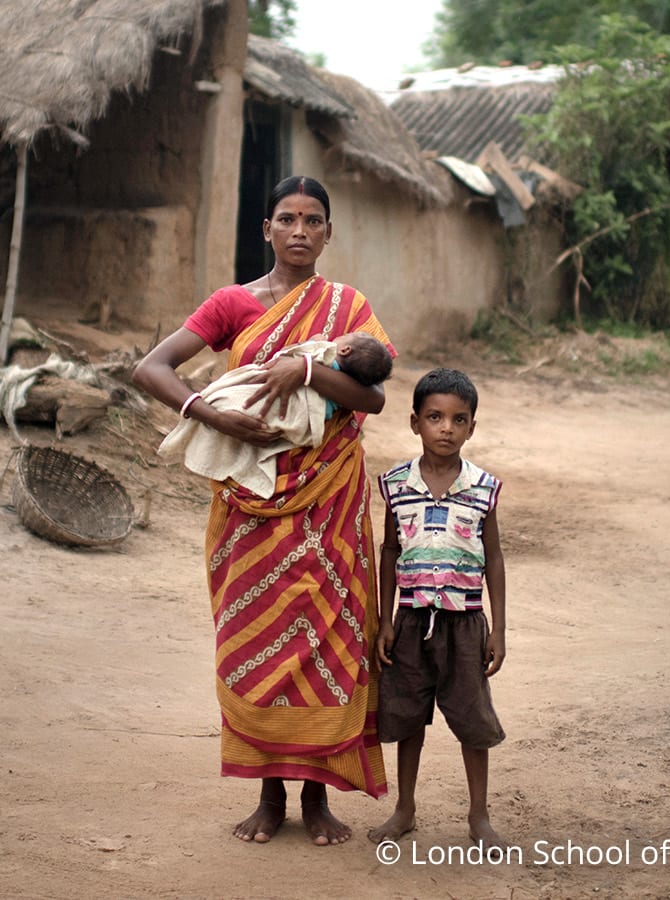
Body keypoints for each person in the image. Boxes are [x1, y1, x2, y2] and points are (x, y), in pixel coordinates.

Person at [133, 175, 391, 846]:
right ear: (267, 229)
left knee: (326, 644)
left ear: (329, 232)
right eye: (287, 218)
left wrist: (306, 373)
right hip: (249, 508)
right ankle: (269, 794)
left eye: (313, 220)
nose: (300, 230)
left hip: (328, 501)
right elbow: (152, 368)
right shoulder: (232, 303)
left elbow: (373, 401)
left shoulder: (348, 307)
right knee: (256, 644)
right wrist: (212, 415)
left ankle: (316, 799)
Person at [367, 368, 508, 847]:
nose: (445, 428)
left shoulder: (483, 488)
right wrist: (385, 620)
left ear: (472, 426)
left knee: (472, 719)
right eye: (434, 417)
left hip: (465, 623)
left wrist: (499, 630)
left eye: (458, 419)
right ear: (414, 423)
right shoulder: (395, 484)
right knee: (407, 716)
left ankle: (479, 815)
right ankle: (404, 808)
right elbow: (389, 552)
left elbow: (494, 558)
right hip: (409, 621)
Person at [156, 331, 392, 499]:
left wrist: (307, 363)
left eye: (344, 336)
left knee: (235, 399)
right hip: (303, 428)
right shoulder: (344, 381)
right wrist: (215, 419)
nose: (337, 336)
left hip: (291, 415)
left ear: (345, 349)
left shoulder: (329, 352)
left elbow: (374, 399)